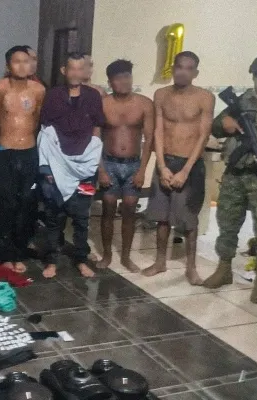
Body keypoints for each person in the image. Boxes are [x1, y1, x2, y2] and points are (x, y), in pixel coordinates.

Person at [203, 54, 257, 304]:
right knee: (227, 223)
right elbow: (216, 126)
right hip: (236, 173)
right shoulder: (243, 100)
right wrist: (225, 123)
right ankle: (224, 268)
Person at [143, 51, 215, 285]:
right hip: (166, 161)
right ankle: (160, 261)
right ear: (173, 69)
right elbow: (158, 130)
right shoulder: (161, 94)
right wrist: (161, 165)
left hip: (190, 164)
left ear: (195, 72)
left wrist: (185, 170)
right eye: (179, 67)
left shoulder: (205, 97)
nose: (183, 72)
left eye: (188, 68)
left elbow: (203, 135)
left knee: (188, 219)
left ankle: (191, 268)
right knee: (161, 217)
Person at [38, 52, 105, 278]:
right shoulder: (53, 95)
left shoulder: (93, 96)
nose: (76, 73)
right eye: (72, 68)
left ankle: (81, 259)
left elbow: (97, 129)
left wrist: (93, 161)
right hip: (57, 166)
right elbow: (45, 133)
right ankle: (51, 261)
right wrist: (47, 168)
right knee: (53, 216)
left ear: (85, 71)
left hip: (85, 168)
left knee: (82, 217)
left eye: (80, 68)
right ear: (64, 71)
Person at [0, 46, 45, 273]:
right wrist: (6, 141)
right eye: (16, 61)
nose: (22, 65)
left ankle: (19, 251)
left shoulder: (39, 90)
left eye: (26, 61)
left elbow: (37, 119)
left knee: (26, 205)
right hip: (6, 152)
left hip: (29, 151)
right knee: (6, 204)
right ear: (8, 65)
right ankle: (5, 254)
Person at [97, 60, 154, 272]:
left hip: (133, 164)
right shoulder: (103, 104)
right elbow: (95, 138)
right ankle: (107, 254)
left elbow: (149, 140)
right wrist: (101, 170)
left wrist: (142, 170)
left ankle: (126, 257)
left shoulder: (144, 104)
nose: (123, 81)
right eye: (118, 78)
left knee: (130, 209)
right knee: (108, 208)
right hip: (109, 162)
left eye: (127, 76)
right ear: (110, 82)